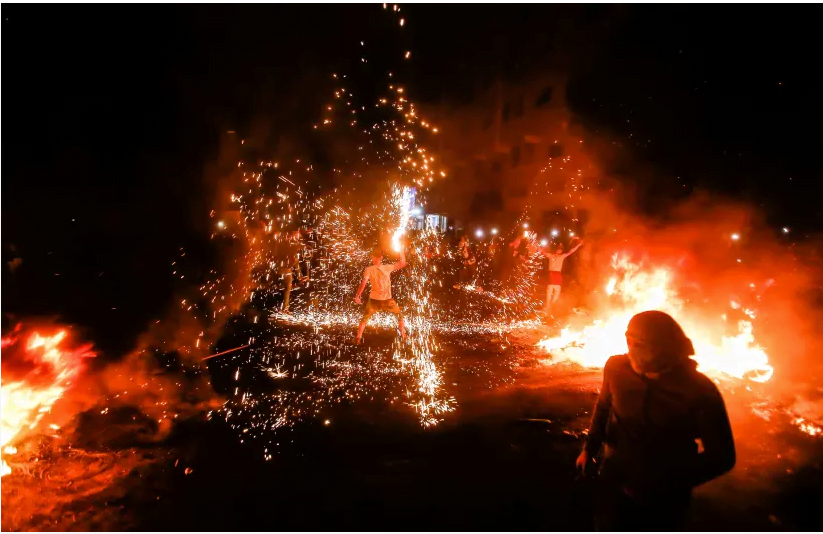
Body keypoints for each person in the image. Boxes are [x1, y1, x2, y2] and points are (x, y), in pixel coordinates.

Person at [576, 310, 736, 531]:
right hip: (613, 482)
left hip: (664, 503)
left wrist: (669, 482)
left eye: (639, 344)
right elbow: (604, 407)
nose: (631, 349)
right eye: (628, 341)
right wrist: (589, 449)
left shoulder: (699, 391)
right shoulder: (616, 368)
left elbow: (722, 456)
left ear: (664, 348)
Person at [353, 247, 407, 344]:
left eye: (374, 257)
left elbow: (363, 283)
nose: (373, 259)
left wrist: (357, 296)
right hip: (386, 300)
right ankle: (403, 334)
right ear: (381, 257)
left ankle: (358, 337)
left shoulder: (369, 269)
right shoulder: (387, 267)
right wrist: (401, 252)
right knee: (399, 316)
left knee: (364, 319)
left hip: (374, 300)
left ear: (375, 257)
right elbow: (402, 263)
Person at [541, 238, 583, 315]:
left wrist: (579, 245)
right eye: (559, 249)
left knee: (553, 291)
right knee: (552, 291)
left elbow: (542, 252)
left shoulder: (553, 255)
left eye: (560, 249)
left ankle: (550, 307)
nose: (559, 250)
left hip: (555, 275)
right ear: (557, 250)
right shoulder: (555, 256)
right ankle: (549, 307)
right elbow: (571, 251)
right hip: (554, 274)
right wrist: (579, 245)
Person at [276, 229, 306, 315]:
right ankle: (285, 308)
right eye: (298, 235)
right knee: (287, 286)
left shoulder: (289, 242)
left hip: (284, 266)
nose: (299, 237)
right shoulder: (290, 244)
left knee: (288, 286)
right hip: (283, 267)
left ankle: (300, 277)